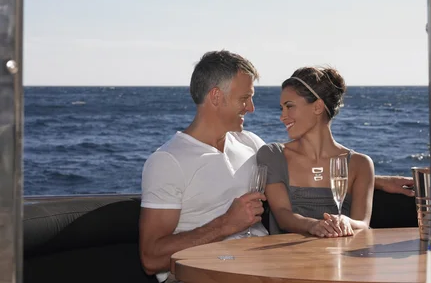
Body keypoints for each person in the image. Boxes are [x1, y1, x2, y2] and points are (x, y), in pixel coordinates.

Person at [139, 50, 414, 282]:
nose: (252, 108)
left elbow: (300, 162)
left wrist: (375, 179)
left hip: (264, 269)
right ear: (216, 97)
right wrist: (225, 224)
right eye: (244, 98)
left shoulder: (249, 144)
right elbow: (151, 259)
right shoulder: (168, 161)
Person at [257, 66, 373, 238]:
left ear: (318, 107)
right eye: (282, 108)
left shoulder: (360, 164)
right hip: (287, 261)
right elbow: (282, 215)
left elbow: (363, 224)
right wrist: (313, 225)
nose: (283, 116)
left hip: (341, 262)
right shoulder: (273, 155)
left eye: (289, 106)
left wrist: (347, 222)